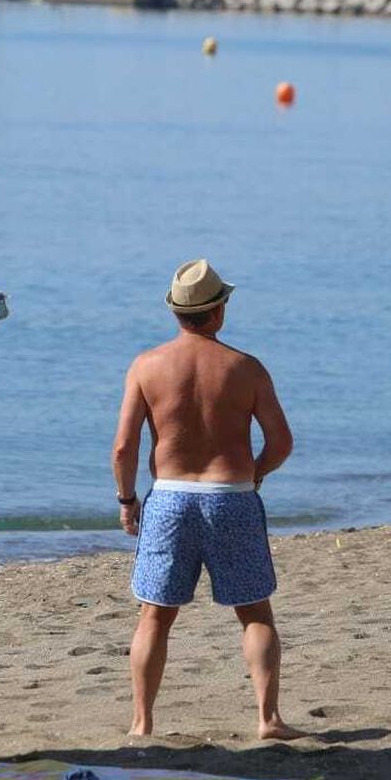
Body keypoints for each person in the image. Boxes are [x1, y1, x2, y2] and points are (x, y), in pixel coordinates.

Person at [111, 259, 303, 739]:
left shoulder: (146, 366)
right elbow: (281, 442)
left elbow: (123, 447)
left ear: (177, 313)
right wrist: (253, 475)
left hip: (170, 499)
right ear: (218, 312)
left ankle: (142, 723)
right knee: (254, 612)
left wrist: (127, 499)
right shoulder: (245, 368)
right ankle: (267, 719)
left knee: (155, 615)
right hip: (231, 496)